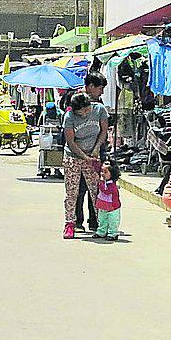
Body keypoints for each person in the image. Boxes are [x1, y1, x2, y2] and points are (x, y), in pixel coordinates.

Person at [61, 92, 108, 239]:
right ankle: (70, 223)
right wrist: (84, 157)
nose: (85, 113)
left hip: (93, 155)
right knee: (72, 192)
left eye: (87, 109)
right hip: (73, 157)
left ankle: (102, 224)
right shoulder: (69, 118)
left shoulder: (99, 110)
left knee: (96, 191)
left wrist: (96, 149)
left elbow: (103, 131)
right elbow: (71, 142)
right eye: (82, 112)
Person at [75, 72, 111, 232]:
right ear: (90, 87)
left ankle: (94, 220)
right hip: (78, 154)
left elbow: (104, 130)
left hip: (97, 152)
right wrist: (82, 153)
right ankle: (77, 221)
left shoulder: (100, 106)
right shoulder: (75, 102)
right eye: (100, 88)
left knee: (96, 188)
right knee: (78, 188)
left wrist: (97, 149)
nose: (102, 92)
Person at [93, 161, 123, 241]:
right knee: (102, 220)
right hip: (103, 205)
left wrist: (101, 182)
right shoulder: (104, 182)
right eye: (101, 171)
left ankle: (113, 233)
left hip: (113, 207)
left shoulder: (112, 185)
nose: (102, 174)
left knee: (113, 221)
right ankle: (101, 232)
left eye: (105, 172)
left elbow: (106, 191)